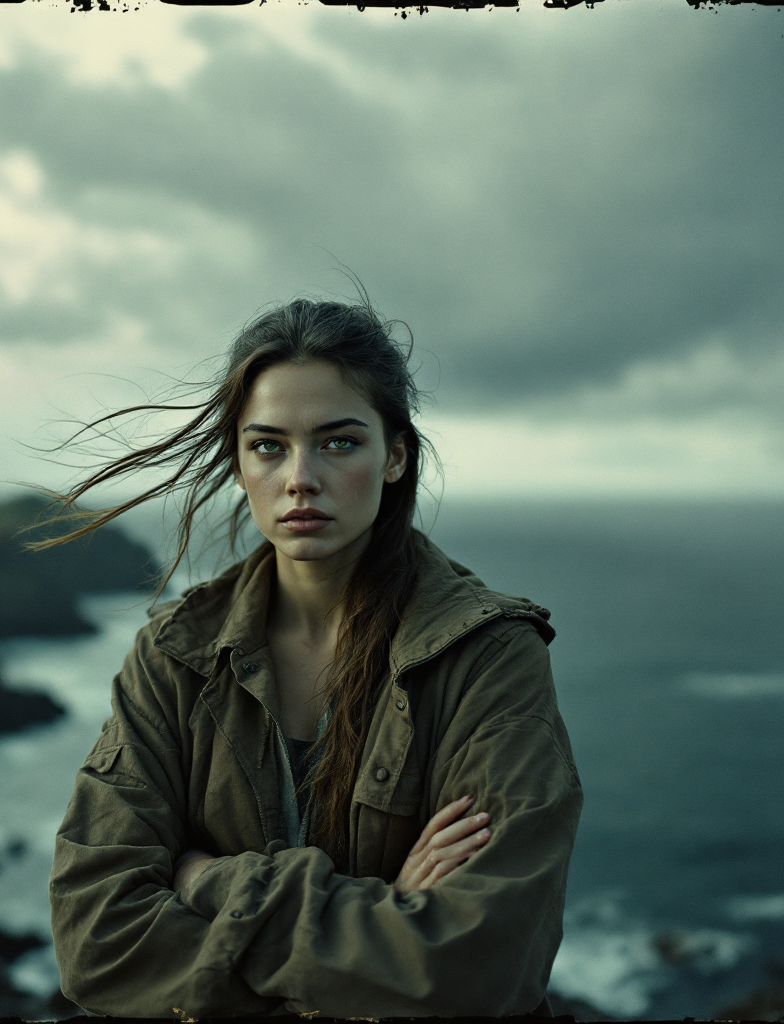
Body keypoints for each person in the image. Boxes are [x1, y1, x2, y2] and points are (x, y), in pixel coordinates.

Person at [44, 297, 583, 1018]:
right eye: (268, 445)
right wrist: (384, 915)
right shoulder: (176, 656)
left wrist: (204, 883)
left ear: (394, 455)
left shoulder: (488, 655)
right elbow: (97, 941)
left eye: (338, 443)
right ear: (238, 461)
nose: (300, 477)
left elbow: (481, 966)